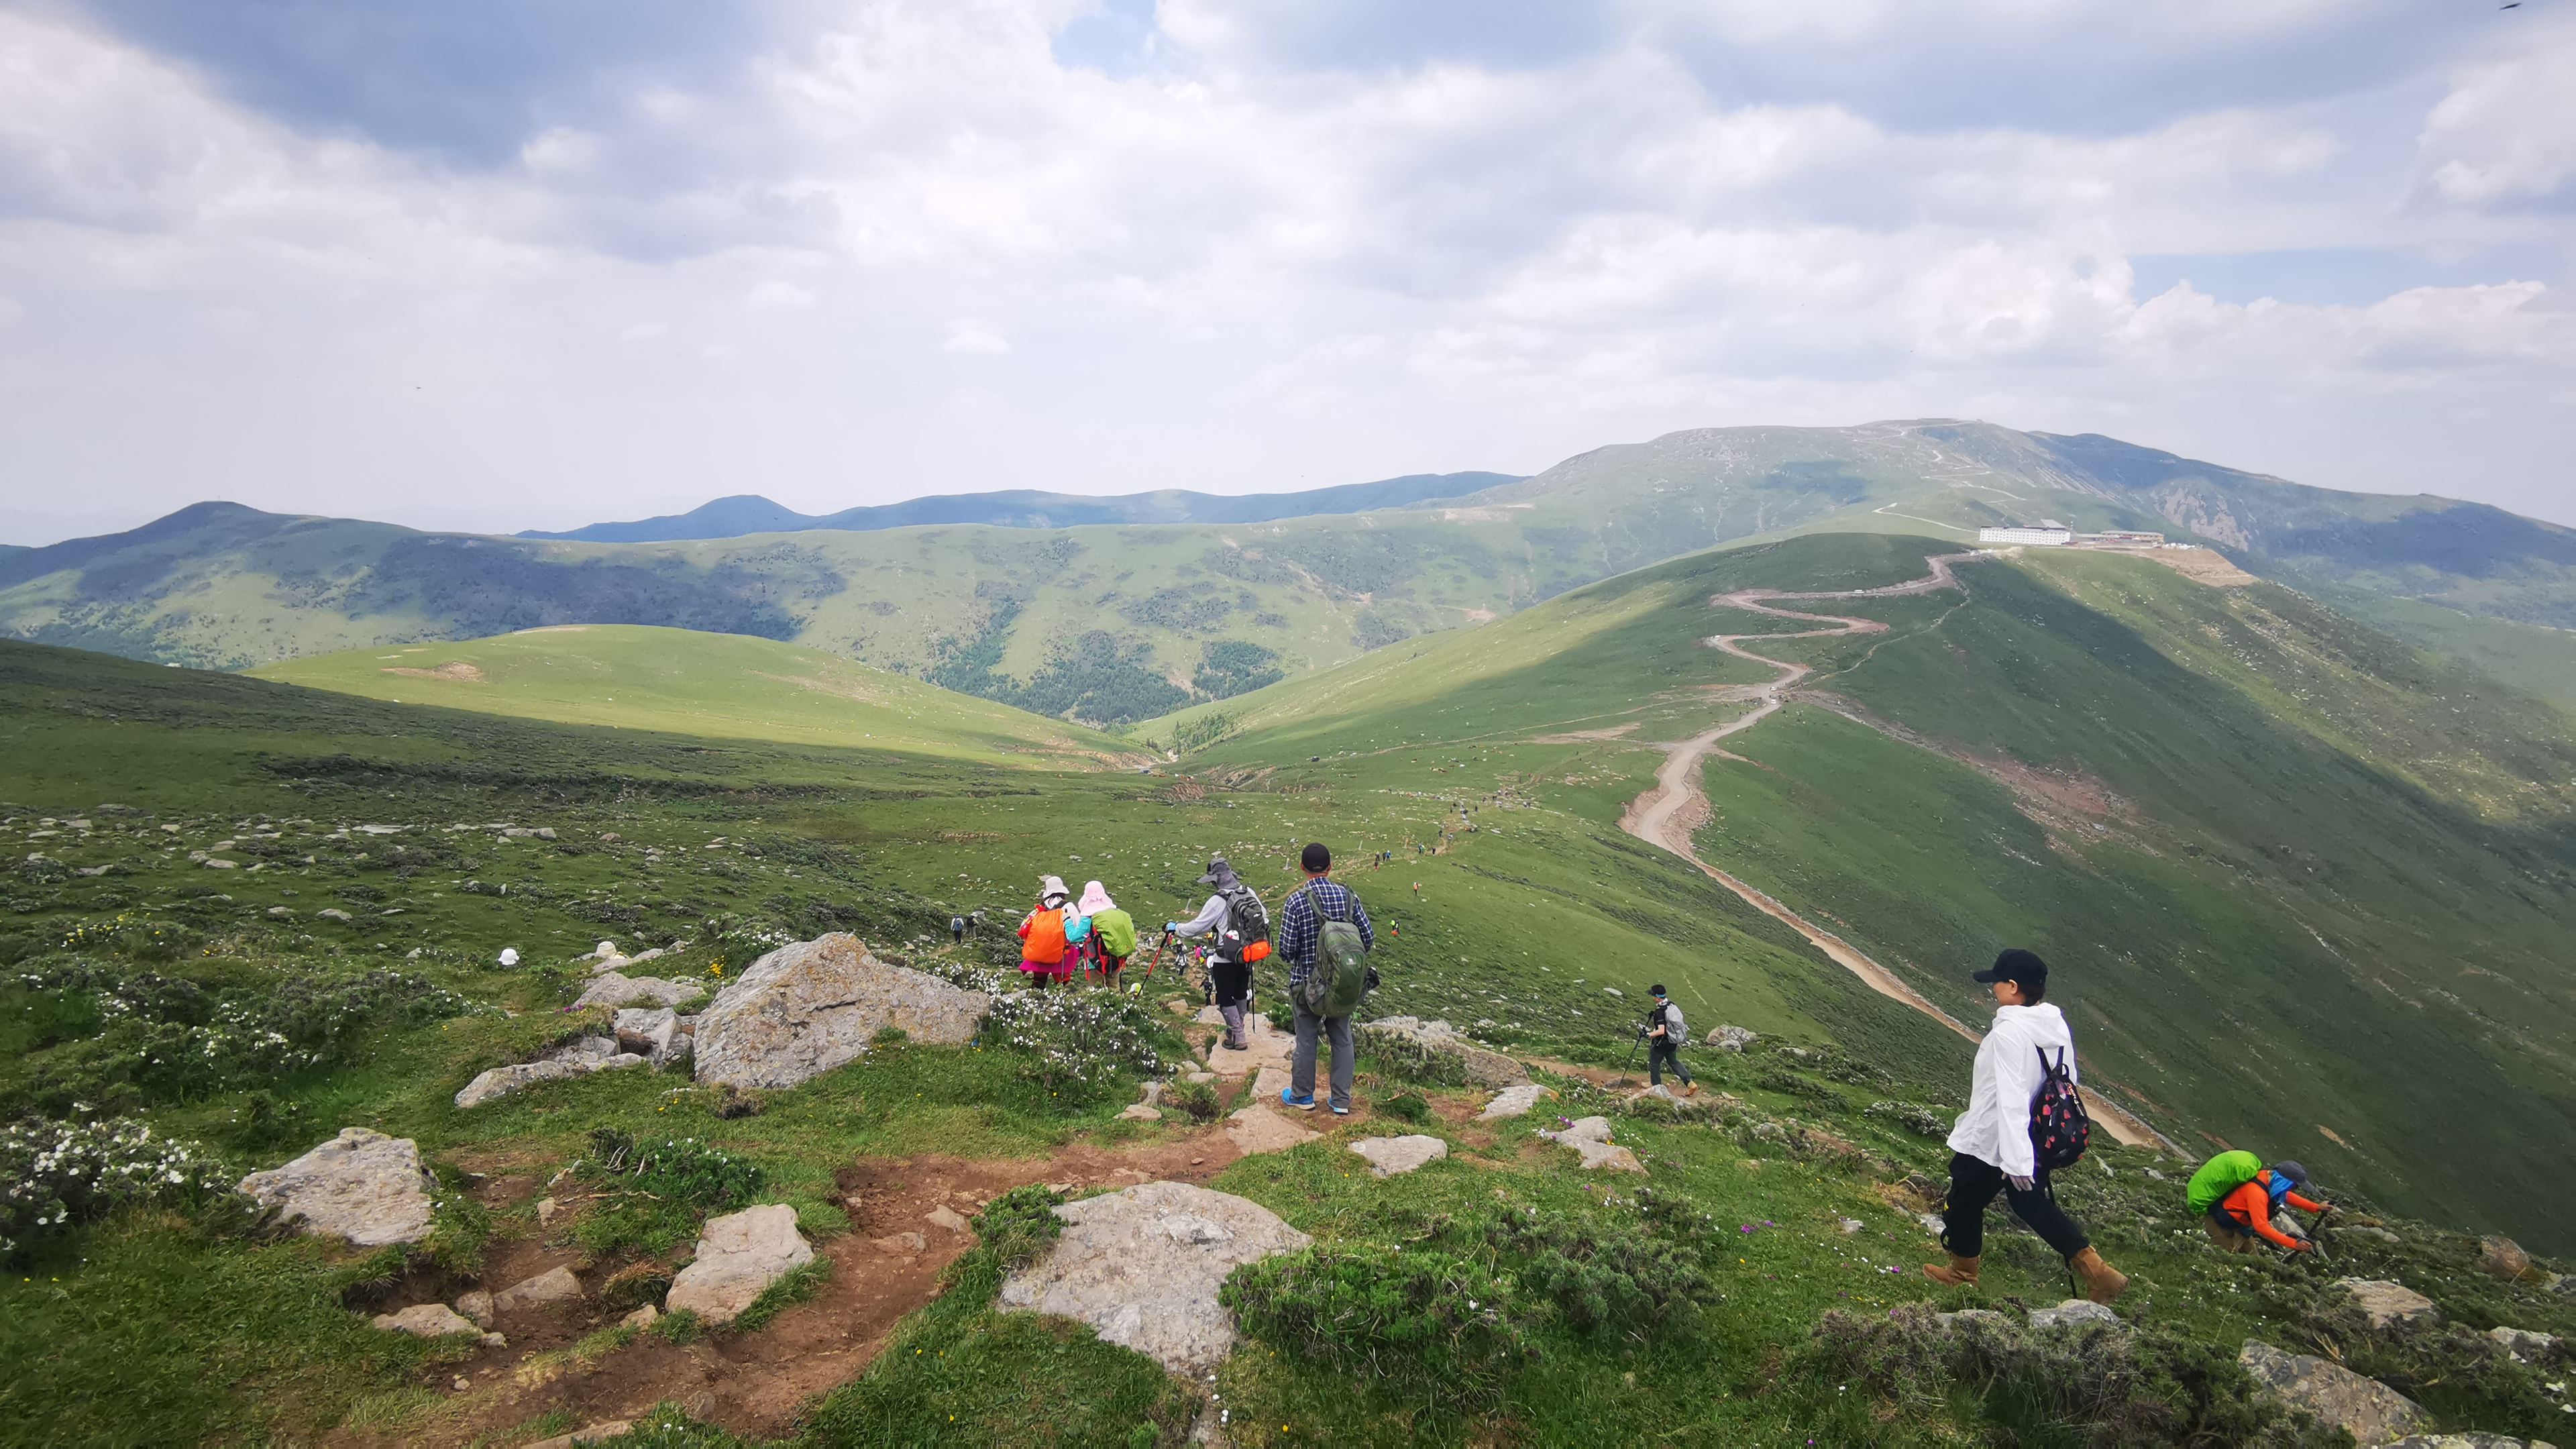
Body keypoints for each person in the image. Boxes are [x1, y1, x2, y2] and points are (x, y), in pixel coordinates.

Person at [1923, 949, 2129, 1304]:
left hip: (1998, 1137)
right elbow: (2067, 1078)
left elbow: (2010, 1098)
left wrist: (2016, 1161)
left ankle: (1961, 1275)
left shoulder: (2008, 1034)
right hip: (2039, 1132)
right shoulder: (2054, 1024)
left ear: (2013, 987)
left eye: (1998, 982)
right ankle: (2099, 1272)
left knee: (1964, 1201)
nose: (1993, 989)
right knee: (2030, 1203)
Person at [1275, 841, 1375, 1116]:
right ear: (1330, 868)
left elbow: (1286, 950)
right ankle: (1341, 1101)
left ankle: (1302, 1096)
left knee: (1306, 1040)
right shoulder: (1348, 897)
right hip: (1342, 987)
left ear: (1302, 868)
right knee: (1342, 1039)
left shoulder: (1296, 900)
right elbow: (1368, 938)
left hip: (1307, 987)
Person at [1169, 857, 1269, 1050]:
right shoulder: (1248, 892)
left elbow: (1198, 927)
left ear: (1215, 880)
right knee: (1240, 993)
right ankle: (1236, 1032)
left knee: (1224, 998)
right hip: (1247, 953)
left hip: (1225, 956)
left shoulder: (1217, 901)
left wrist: (1177, 928)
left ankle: (1239, 1036)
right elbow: (1263, 915)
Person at [2188, 1151, 2334, 1254]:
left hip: (2239, 1224)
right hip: (2219, 1221)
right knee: (2224, 1255)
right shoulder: (2256, 1192)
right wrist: (2294, 1244)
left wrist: (2316, 1207)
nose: (2295, 1189)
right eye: (2294, 1185)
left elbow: (2286, 1196)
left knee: (2253, 1257)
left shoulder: (2266, 1178)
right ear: (2284, 1181)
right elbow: (2261, 1226)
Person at [1016, 876, 1075, 990]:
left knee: (1039, 980)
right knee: (1064, 981)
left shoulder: (1039, 910)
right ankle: (1066, 995)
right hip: (1060, 954)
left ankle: (1035, 995)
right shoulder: (1068, 907)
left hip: (1038, 953)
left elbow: (1023, 928)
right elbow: (1077, 930)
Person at [1077, 880, 1136, 989]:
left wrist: (1067, 922)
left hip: (1095, 962)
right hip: (1116, 958)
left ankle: (1097, 1006)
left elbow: (1074, 937)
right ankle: (1117, 1005)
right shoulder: (1114, 912)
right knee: (1114, 987)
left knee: (1095, 990)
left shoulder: (1088, 917)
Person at [1644, 985, 1696, 1096]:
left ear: (1658, 998)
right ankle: (1690, 1083)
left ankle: (1656, 1087)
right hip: (1673, 1042)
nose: (1652, 998)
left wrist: (1648, 1035)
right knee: (1673, 1062)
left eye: (1653, 996)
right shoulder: (1671, 1005)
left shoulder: (1659, 1013)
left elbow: (1661, 1031)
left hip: (1661, 1043)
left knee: (1654, 1063)